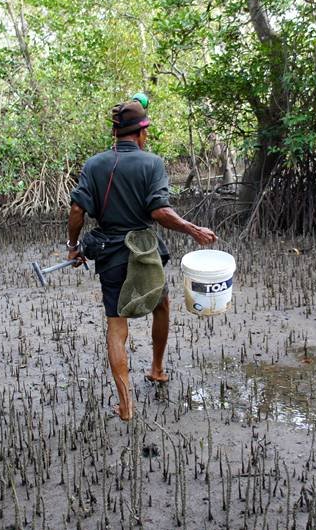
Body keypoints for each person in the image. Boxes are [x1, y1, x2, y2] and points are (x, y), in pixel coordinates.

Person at [66, 97, 216, 421]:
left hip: (109, 254)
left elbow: (77, 209)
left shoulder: (94, 164)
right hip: (145, 253)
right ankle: (157, 368)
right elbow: (159, 211)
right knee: (161, 305)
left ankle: (126, 406)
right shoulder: (152, 164)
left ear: (115, 133)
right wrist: (193, 229)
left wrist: (73, 246)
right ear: (141, 132)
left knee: (116, 326)